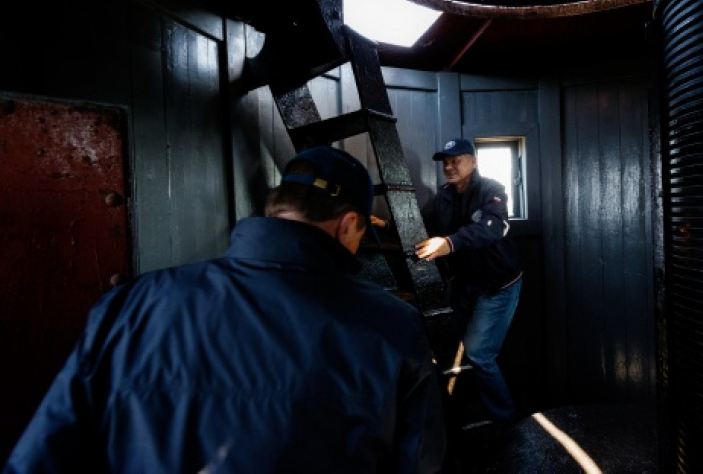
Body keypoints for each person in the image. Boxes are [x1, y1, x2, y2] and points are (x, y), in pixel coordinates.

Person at [4, 146, 447, 473]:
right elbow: (418, 463)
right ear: (349, 223)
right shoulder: (391, 325)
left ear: (276, 210)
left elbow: (42, 454)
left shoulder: (131, 304)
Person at [378, 138, 522, 426]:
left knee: (479, 355)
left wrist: (449, 243)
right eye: (445, 161)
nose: (449, 166)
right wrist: (386, 225)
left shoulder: (491, 189)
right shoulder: (443, 195)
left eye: (456, 160)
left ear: (473, 161)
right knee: (449, 348)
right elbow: (419, 221)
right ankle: (467, 412)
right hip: (464, 283)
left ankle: (509, 424)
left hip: (498, 285)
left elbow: (493, 227)